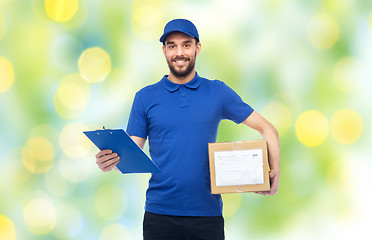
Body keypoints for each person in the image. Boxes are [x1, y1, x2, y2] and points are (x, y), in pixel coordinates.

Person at [95, 19, 280, 240]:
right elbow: (131, 156)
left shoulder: (217, 92)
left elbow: (267, 128)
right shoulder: (145, 97)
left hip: (207, 216)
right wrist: (111, 162)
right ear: (164, 51)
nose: (179, 52)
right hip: (159, 215)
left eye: (186, 44)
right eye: (172, 46)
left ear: (197, 48)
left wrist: (274, 170)